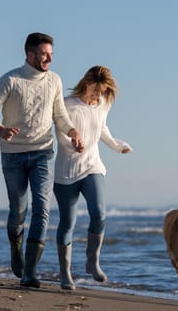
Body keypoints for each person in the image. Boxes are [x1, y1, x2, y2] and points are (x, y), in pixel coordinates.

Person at [0, 32, 84, 288]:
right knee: (18, 211)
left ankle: (30, 272)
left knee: (42, 210)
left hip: (43, 152)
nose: (49, 58)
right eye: (44, 53)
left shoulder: (54, 80)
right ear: (30, 54)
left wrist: (72, 132)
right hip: (12, 154)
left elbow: (59, 114)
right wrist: (0, 129)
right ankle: (16, 249)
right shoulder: (11, 80)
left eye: (51, 54)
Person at [53, 65, 132, 290]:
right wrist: (72, 145)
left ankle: (92, 261)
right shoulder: (67, 104)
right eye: (95, 90)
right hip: (66, 171)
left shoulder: (104, 104)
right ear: (86, 84)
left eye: (103, 91)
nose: (98, 96)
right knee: (68, 223)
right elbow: (60, 133)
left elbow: (102, 128)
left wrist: (117, 146)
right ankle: (65, 273)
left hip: (92, 166)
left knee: (99, 213)